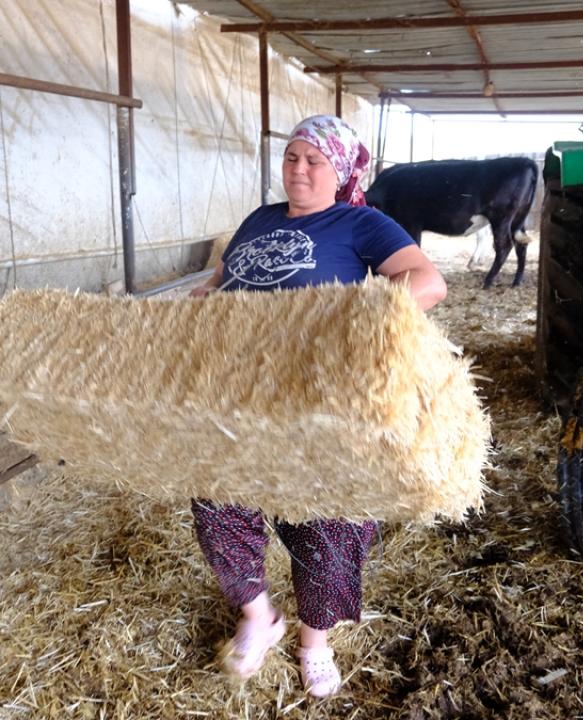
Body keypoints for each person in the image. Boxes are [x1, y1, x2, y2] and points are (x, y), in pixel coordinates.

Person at [187, 115, 446, 698]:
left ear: (341, 170)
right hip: (241, 392)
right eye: (291, 157)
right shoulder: (259, 218)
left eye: (314, 161)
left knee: (330, 523)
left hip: (320, 398)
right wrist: (209, 293)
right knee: (216, 500)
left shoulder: (362, 223)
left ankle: (315, 642)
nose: (298, 170)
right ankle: (259, 616)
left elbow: (428, 284)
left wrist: (344, 322)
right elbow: (227, 275)